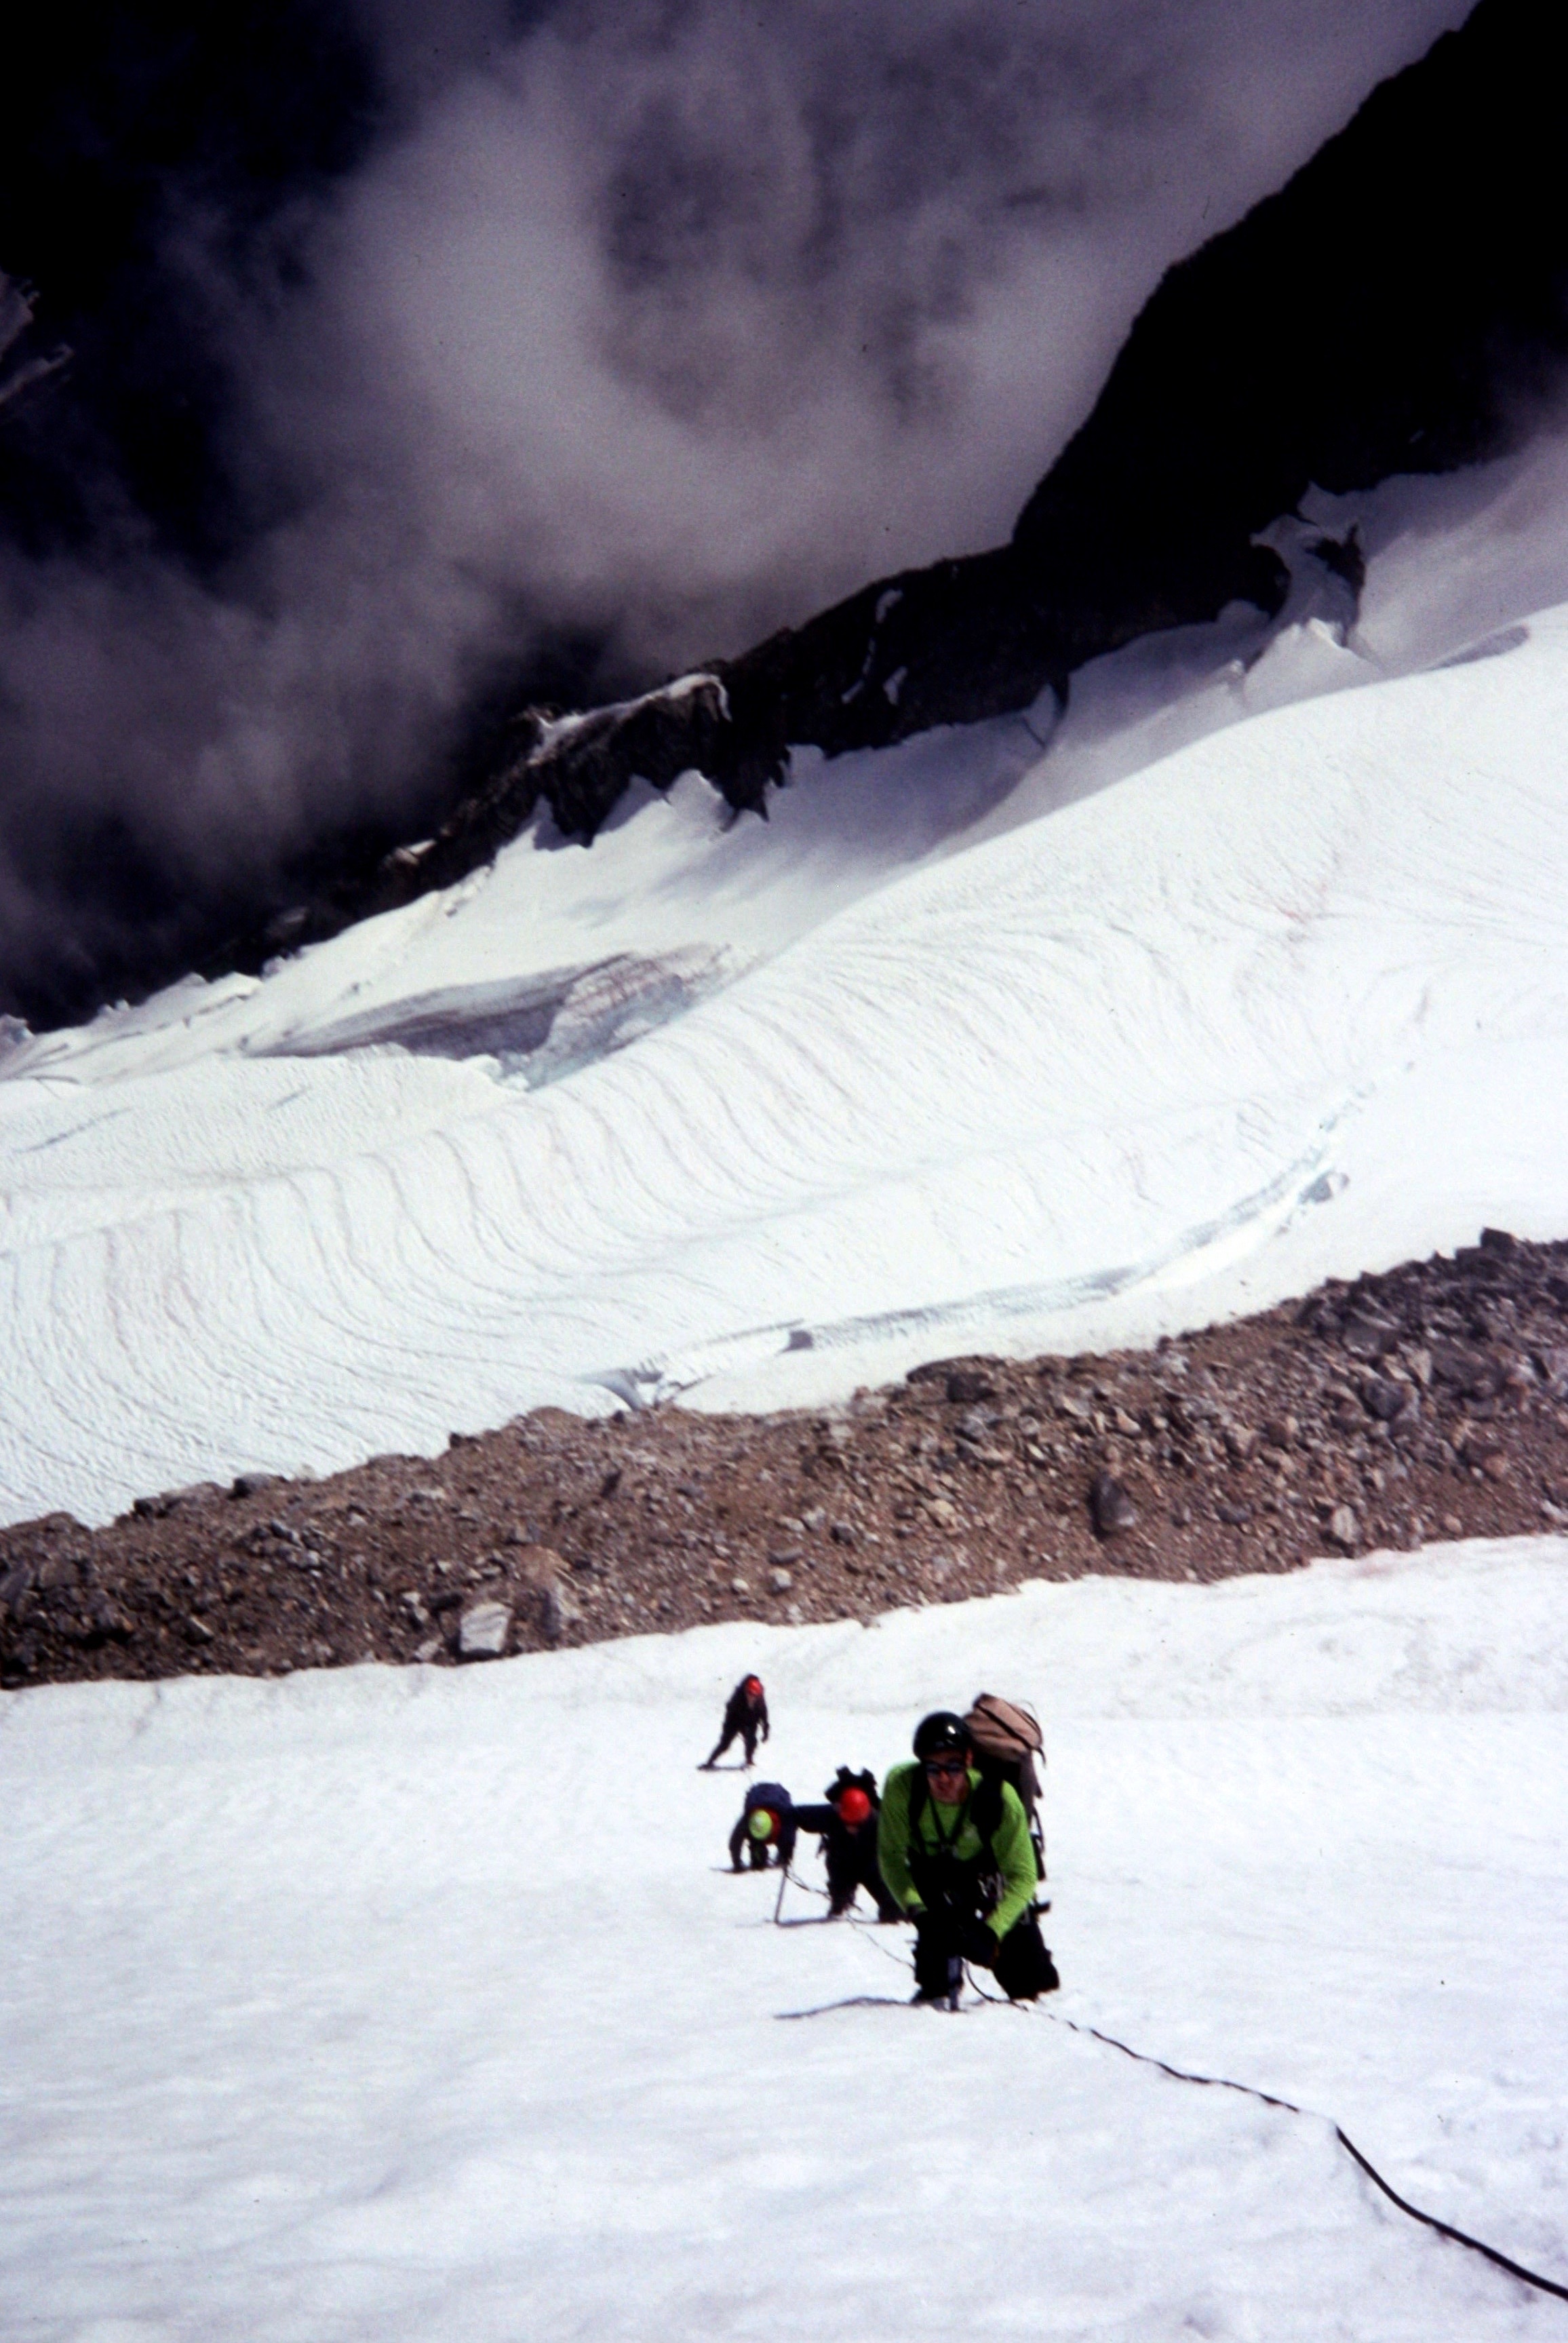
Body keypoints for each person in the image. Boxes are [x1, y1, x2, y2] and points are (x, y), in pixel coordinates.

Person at [878, 1710, 1060, 2007]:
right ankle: (934, 1986)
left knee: (1029, 1979)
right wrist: (918, 1911)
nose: (944, 1778)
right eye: (933, 1768)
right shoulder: (903, 1787)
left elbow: (1023, 1875)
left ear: (969, 1761)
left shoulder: (999, 1800)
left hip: (987, 1878)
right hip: (933, 1879)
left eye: (954, 1766)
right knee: (934, 1977)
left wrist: (992, 1930)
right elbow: (892, 1858)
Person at [791, 1767, 901, 1920]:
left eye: (857, 1825)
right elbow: (793, 1814)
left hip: (872, 1866)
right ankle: (841, 1900)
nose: (851, 1828)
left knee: (893, 1911)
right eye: (847, 1823)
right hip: (841, 1864)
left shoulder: (882, 1822)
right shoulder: (831, 1815)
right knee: (838, 1899)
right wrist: (785, 1841)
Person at [701, 1673, 770, 1769]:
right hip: (734, 1720)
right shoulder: (738, 1698)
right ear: (746, 1691)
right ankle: (710, 1762)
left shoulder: (760, 1702)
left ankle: (749, 1759)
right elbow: (729, 1711)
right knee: (725, 1744)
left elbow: (764, 1716)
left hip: (751, 1720)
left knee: (752, 1741)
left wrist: (766, 1732)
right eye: (750, 1694)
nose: (752, 1697)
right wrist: (729, 1728)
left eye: (754, 1695)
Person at [728, 1781, 796, 1871]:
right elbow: (735, 1841)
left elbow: (790, 1840)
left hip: (779, 1798)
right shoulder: (748, 1818)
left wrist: (786, 1857)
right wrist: (737, 1863)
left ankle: (780, 1856)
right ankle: (759, 1854)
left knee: (784, 1847)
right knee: (758, 1863)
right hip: (757, 1798)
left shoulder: (785, 1818)